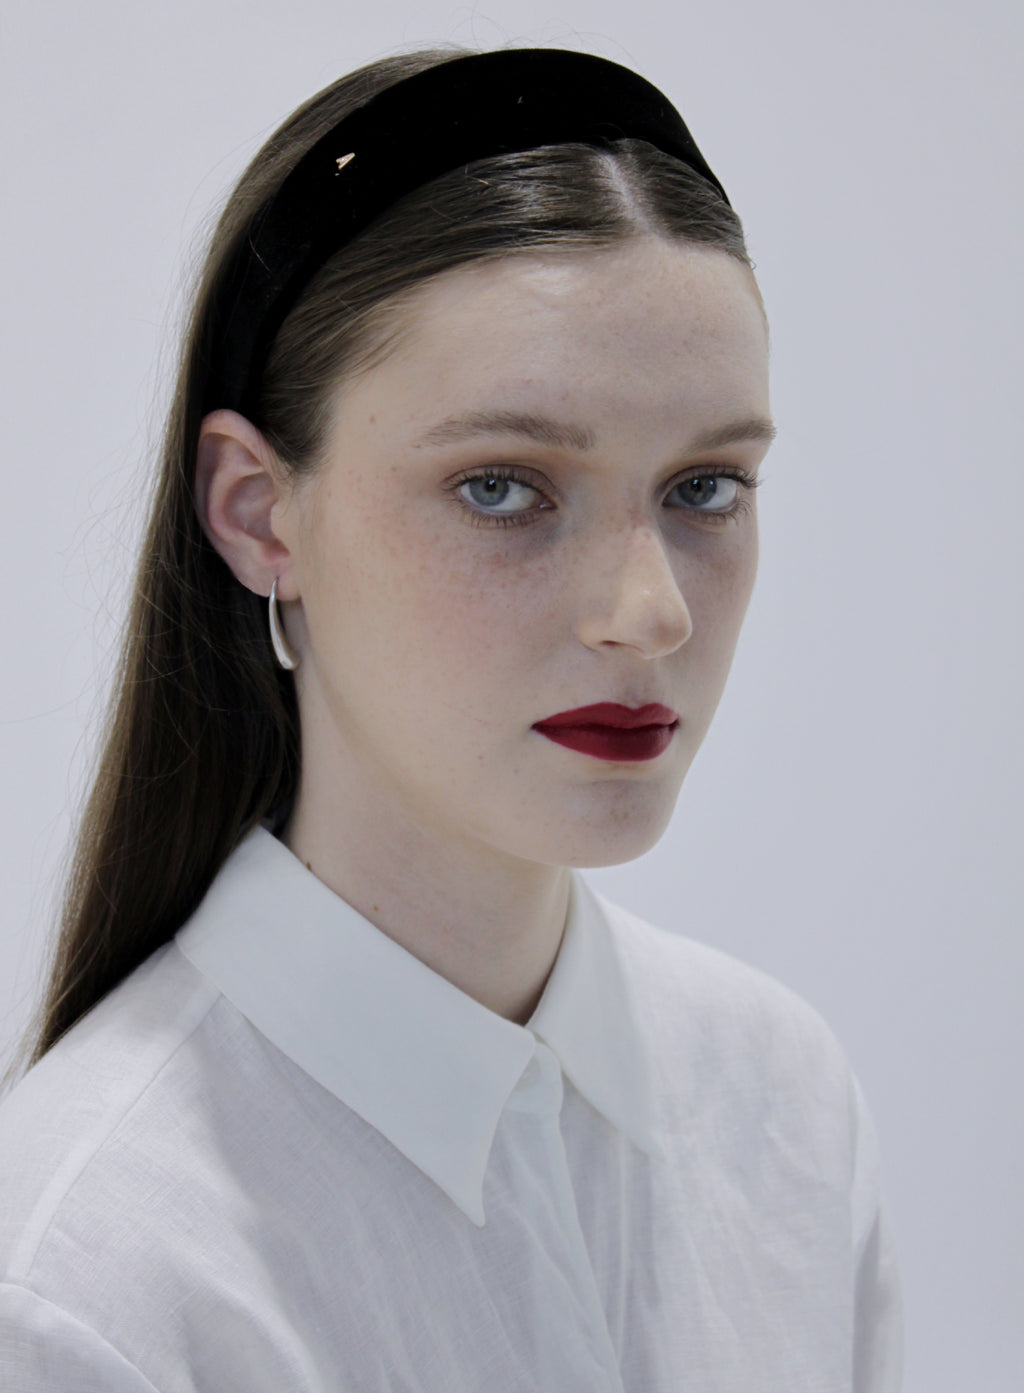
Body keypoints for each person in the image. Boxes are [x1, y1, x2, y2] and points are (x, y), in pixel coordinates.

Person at [0, 44, 903, 1391]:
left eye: (706, 487)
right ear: (258, 512)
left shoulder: (786, 1109)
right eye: (502, 487)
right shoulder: (85, 1287)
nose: (647, 612)